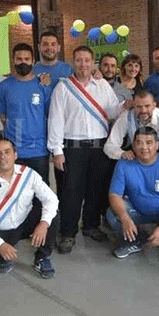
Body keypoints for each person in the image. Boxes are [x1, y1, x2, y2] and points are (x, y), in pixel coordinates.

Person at [47, 46, 123, 253]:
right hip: (73, 147)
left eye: (87, 60)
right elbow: (55, 121)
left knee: (95, 189)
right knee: (71, 191)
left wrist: (129, 105)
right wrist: (57, 151)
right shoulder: (63, 88)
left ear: (93, 63)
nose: (83, 65)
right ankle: (68, 232)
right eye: (79, 60)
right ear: (73, 62)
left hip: (100, 146)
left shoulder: (102, 86)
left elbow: (114, 110)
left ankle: (91, 225)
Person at [0, 139, 59, 277]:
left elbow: (51, 199)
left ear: (15, 155)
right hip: (1, 230)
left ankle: (42, 257)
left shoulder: (29, 174)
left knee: (52, 216)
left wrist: (43, 224)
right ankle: (4, 250)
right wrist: (0, 245)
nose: (3, 157)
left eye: (7, 152)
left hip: (24, 223)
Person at [106, 126, 159, 259]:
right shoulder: (124, 163)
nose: (144, 147)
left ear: (158, 145)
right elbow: (114, 195)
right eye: (139, 142)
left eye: (149, 142)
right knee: (112, 215)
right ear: (133, 145)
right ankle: (135, 240)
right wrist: (125, 218)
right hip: (136, 210)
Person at [0, 43, 52, 183]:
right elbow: (2, 117)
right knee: (15, 193)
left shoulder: (43, 85)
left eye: (26, 59)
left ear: (33, 61)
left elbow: (48, 115)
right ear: (13, 60)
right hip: (14, 152)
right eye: (19, 59)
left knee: (40, 193)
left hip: (39, 150)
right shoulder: (3, 87)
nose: (23, 62)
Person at [104, 89, 159, 161]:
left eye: (147, 106)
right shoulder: (126, 117)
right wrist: (122, 154)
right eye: (139, 107)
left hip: (156, 159)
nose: (143, 111)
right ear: (134, 105)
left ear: (154, 105)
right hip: (133, 157)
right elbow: (110, 145)